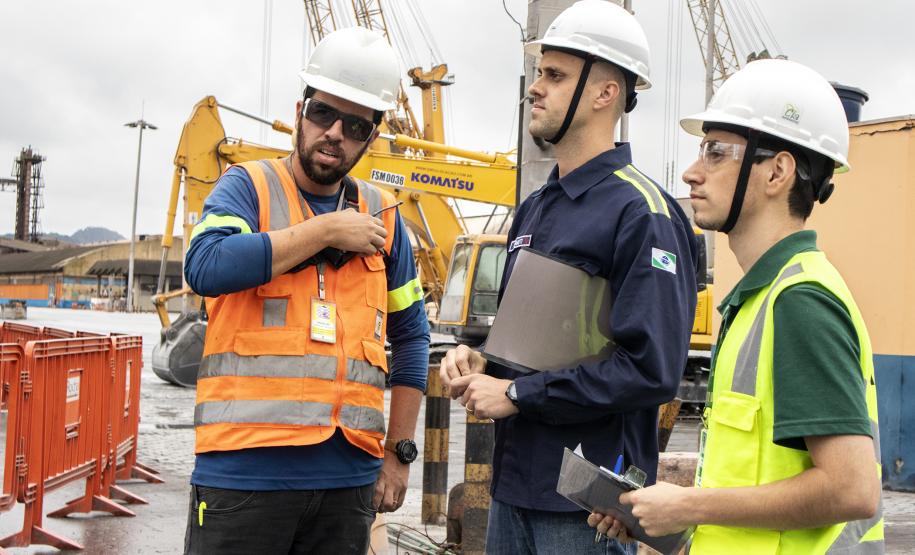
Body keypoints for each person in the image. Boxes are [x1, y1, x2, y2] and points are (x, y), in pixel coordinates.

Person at [589, 59, 883, 553]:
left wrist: (690, 506)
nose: (691, 171)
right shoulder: (759, 299)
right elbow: (753, 482)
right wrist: (664, 516)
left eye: (716, 152)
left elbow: (851, 489)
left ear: (778, 172)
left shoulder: (800, 302)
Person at [440, 1, 698, 553]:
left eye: (554, 75)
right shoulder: (534, 208)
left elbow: (650, 370)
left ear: (606, 93)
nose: (536, 88)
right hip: (514, 492)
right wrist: (480, 361)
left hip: (587, 508)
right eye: (539, 73)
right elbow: (532, 349)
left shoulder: (642, 213)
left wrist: (517, 393)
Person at [182, 27, 430, 554]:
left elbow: (412, 339)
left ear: (372, 136)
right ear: (301, 110)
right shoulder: (247, 187)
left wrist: (399, 454)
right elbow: (205, 266)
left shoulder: (384, 216)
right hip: (243, 477)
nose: (334, 132)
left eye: (356, 124)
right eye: (323, 113)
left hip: (348, 485)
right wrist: (325, 231)